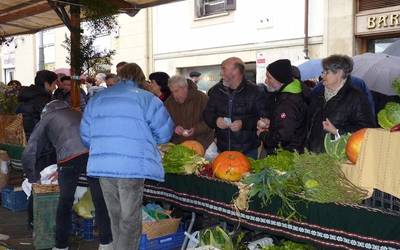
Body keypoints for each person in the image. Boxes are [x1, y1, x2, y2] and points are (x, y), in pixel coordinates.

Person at [80, 63, 174, 250]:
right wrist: (146, 139)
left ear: (120, 76)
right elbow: (164, 133)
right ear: (140, 77)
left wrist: (104, 147)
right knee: (130, 219)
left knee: (114, 215)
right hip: (132, 166)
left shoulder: (98, 99)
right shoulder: (148, 99)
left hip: (104, 167)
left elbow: (85, 136)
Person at [22, 100, 112, 250]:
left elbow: (31, 149)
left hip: (69, 159)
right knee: (99, 200)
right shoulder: (77, 112)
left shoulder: (48, 118)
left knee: (65, 202)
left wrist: (32, 177)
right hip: (94, 155)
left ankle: (61, 245)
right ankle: (106, 242)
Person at [306, 55, 376, 153]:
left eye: (327, 72)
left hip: (338, 158)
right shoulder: (318, 94)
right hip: (312, 156)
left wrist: (337, 131)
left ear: (339, 73)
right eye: (323, 72)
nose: (322, 76)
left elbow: (367, 129)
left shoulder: (356, 97)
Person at [203, 57, 267, 159]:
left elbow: (263, 119)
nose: (221, 73)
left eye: (223, 68)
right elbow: (207, 114)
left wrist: (243, 123)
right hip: (222, 150)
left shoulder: (255, 92)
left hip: (248, 152)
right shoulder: (215, 91)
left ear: (235, 70)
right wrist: (216, 120)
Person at [257, 59, 307, 155]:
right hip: (294, 152)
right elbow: (290, 123)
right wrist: (272, 123)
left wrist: (262, 135)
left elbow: (284, 136)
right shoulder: (291, 94)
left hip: (287, 155)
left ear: (280, 79)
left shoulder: (288, 102)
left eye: (269, 77)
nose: (266, 81)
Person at [165, 75, 214, 149]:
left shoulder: (202, 98)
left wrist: (196, 129)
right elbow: (164, 122)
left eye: (176, 91)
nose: (174, 95)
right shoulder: (169, 102)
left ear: (185, 88)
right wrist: (174, 128)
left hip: (202, 144)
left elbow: (211, 121)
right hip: (179, 146)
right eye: (172, 92)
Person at [18, 70, 58, 140]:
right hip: (37, 140)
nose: (55, 87)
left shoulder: (27, 95)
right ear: (46, 84)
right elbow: (52, 121)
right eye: (54, 84)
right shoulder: (42, 99)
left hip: (26, 137)